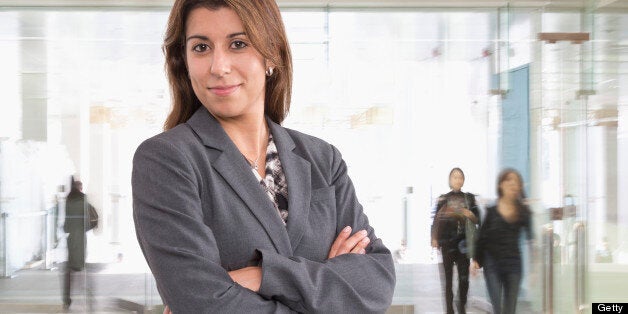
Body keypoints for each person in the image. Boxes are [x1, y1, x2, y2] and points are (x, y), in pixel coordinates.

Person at [131, 0, 395, 313]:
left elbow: (376, 283)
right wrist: (329, 283)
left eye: (238, 44)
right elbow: (203, 304)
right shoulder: (167, 160)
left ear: (271, 53)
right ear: (184, 61)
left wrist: (264, 274)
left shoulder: (323, 159)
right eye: (201, 47)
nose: (219, 66)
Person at [472, 168, 533, 314]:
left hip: (513, 264)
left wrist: (534, 268)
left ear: (519, 187)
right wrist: (476, 261)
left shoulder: (523, 211)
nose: (512, 184)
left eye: (516, 182)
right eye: (508, 180)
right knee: (498, 309)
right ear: (501, 185)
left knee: (510, 309)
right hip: (492, 264)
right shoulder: (491, 211)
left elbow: (531, 238)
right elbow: (482, 237)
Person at [431, 167, 479, 314]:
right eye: (454, 177)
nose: (457, 180)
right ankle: (449, 310)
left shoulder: (469, 198)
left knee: (464, 280)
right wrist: (434, 238)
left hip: (464, 244)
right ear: (450, 180)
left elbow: (477, 218)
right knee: (448, 280)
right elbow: (436, 220)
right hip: (447, 243)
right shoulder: (444, 199)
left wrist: (467, 213)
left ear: (463, 180)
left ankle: (461, 305)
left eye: (460, 177)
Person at [62, 177, 97, 309]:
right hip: (81, 239)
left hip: (71, 240)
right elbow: (87, 223)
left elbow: (66, 225)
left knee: (70, 270)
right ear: (79, 188)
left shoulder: (68, 200)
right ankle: (88, 299)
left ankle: (67, 300)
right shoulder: (83, 200)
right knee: (82, 269)